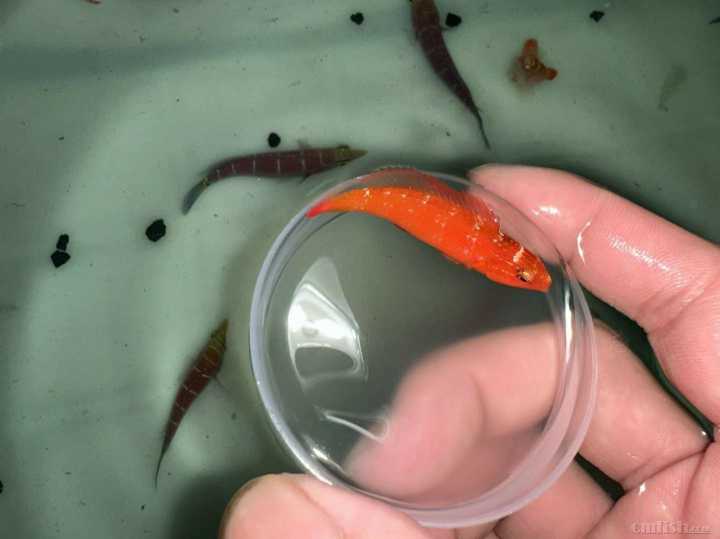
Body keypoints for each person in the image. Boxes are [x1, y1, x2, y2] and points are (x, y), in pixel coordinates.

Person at [220, 165, 720, 539]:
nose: (530, 278)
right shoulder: (486, 251)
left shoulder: (499, 256)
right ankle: (344, 201)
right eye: (523, 274)